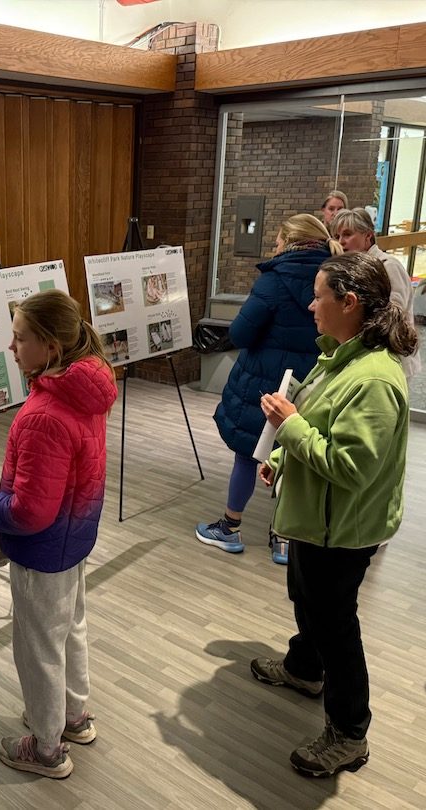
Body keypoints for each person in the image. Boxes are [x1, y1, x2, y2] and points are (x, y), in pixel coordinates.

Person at [250, 251, 417, 777]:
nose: (310, 303)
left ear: (349, 303)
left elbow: (349, 467)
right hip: (314, 520)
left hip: (341, 530)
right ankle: (304, 668)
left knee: (335, 623)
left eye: (319, 295)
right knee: (308, 597)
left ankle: (349, 734)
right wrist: (280, 456)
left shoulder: (374, 379)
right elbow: (316, 429)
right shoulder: (342, 355)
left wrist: (291, 425)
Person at [0, 289, 117, 779]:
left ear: (51, 347)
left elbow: (30, 512)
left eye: (19, 339)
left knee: (38, 650)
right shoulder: (85, 391)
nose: (11, 349)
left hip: (43, 547)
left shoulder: (43, 416)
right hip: (75, 538)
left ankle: (48, 747)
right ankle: (73, 716)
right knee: (69, 630)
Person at [196, 214, 342, 564]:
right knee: (294, 454)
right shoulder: (336, 277)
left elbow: (242, 333)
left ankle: (230, 528)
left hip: (265, 382)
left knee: (249, 453)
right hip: (315, 383)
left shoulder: (274, 280)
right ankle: (284, 538)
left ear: (290, 242)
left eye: (276, 240)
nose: (273, 246)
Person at [332, 207, 421, 380]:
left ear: (368, 236)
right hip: (365, 356)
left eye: (347, 234)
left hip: (391, 357)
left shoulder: (389, 266)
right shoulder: (352, 269)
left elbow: (394, 313)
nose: (341, 242)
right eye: (337, 237)